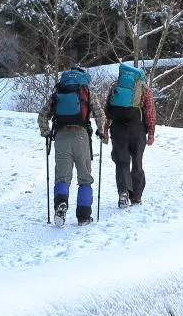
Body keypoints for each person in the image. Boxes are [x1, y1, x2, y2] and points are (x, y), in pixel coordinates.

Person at [38, 66, 107, 226]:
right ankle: (83, 216)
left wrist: (46, 132)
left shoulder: (58, 92)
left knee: (62, 177)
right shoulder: (87, 92)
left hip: (61, 137)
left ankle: (61, 205)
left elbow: (42, 115)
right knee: (84, 178)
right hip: (81, 136)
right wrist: (101, 130)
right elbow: (99, 113)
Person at [104, 63, 156, 208]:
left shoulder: (115, 87)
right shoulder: (145, 90)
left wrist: (105, 130)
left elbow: (107, 109)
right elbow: (150, 112)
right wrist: (151, 132)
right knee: (137, 161)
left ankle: (123, 191)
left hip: (118, 128)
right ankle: (137, 196)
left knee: (121, 161)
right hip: (137, 129)